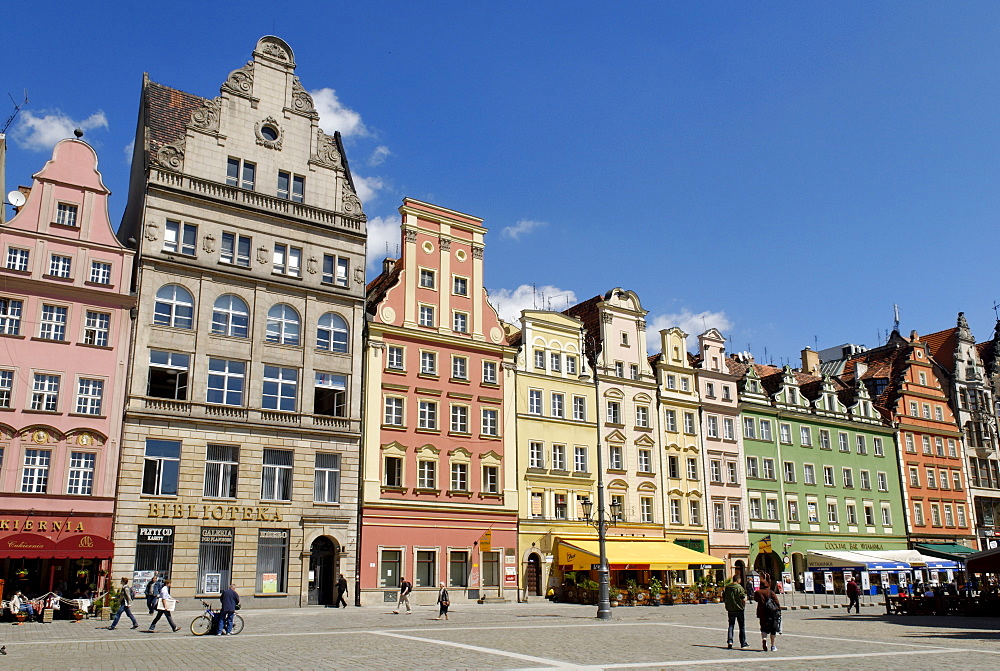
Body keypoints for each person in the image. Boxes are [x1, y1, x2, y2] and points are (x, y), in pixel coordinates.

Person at [723, 573, 749, 649]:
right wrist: (743, 605)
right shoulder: (739, 588)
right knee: (742, 627)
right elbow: (743, 598)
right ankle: (743, 643)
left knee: (731, 625)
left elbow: (724, 597)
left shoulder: (727, 587)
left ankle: (730, 641)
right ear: (738, 580)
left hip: (730, 609)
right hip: (739, 609)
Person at [753, 580, 781, 652]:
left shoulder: (757, 592)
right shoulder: (771, 592)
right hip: (771, 613)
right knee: (773, 629)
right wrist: (778, 610)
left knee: (763, 628)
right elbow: (777, 602)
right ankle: (773, 646)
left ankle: (764, 639)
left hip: (762, 613)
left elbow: (755, 599)